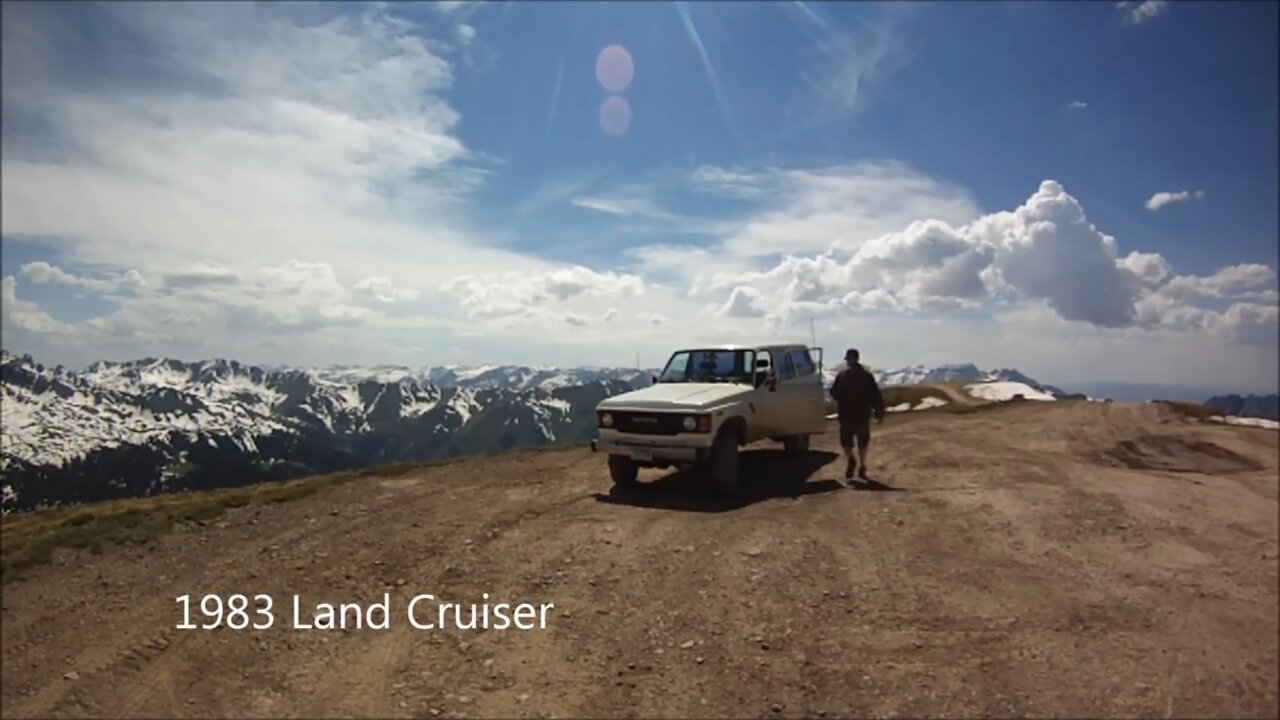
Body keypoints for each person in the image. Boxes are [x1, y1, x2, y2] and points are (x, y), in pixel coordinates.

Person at [829, 348, 885, 483]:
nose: (849, 361)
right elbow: (875, 395)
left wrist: (878, 411)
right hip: (856, 414)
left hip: (852, 414)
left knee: (854, 443)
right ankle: (857, 463)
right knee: (855, 443)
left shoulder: (848, 376)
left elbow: (834, 393)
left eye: (849, 359)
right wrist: (879, 411)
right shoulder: (861, 376)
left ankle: (856, 463)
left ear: (853, 359)